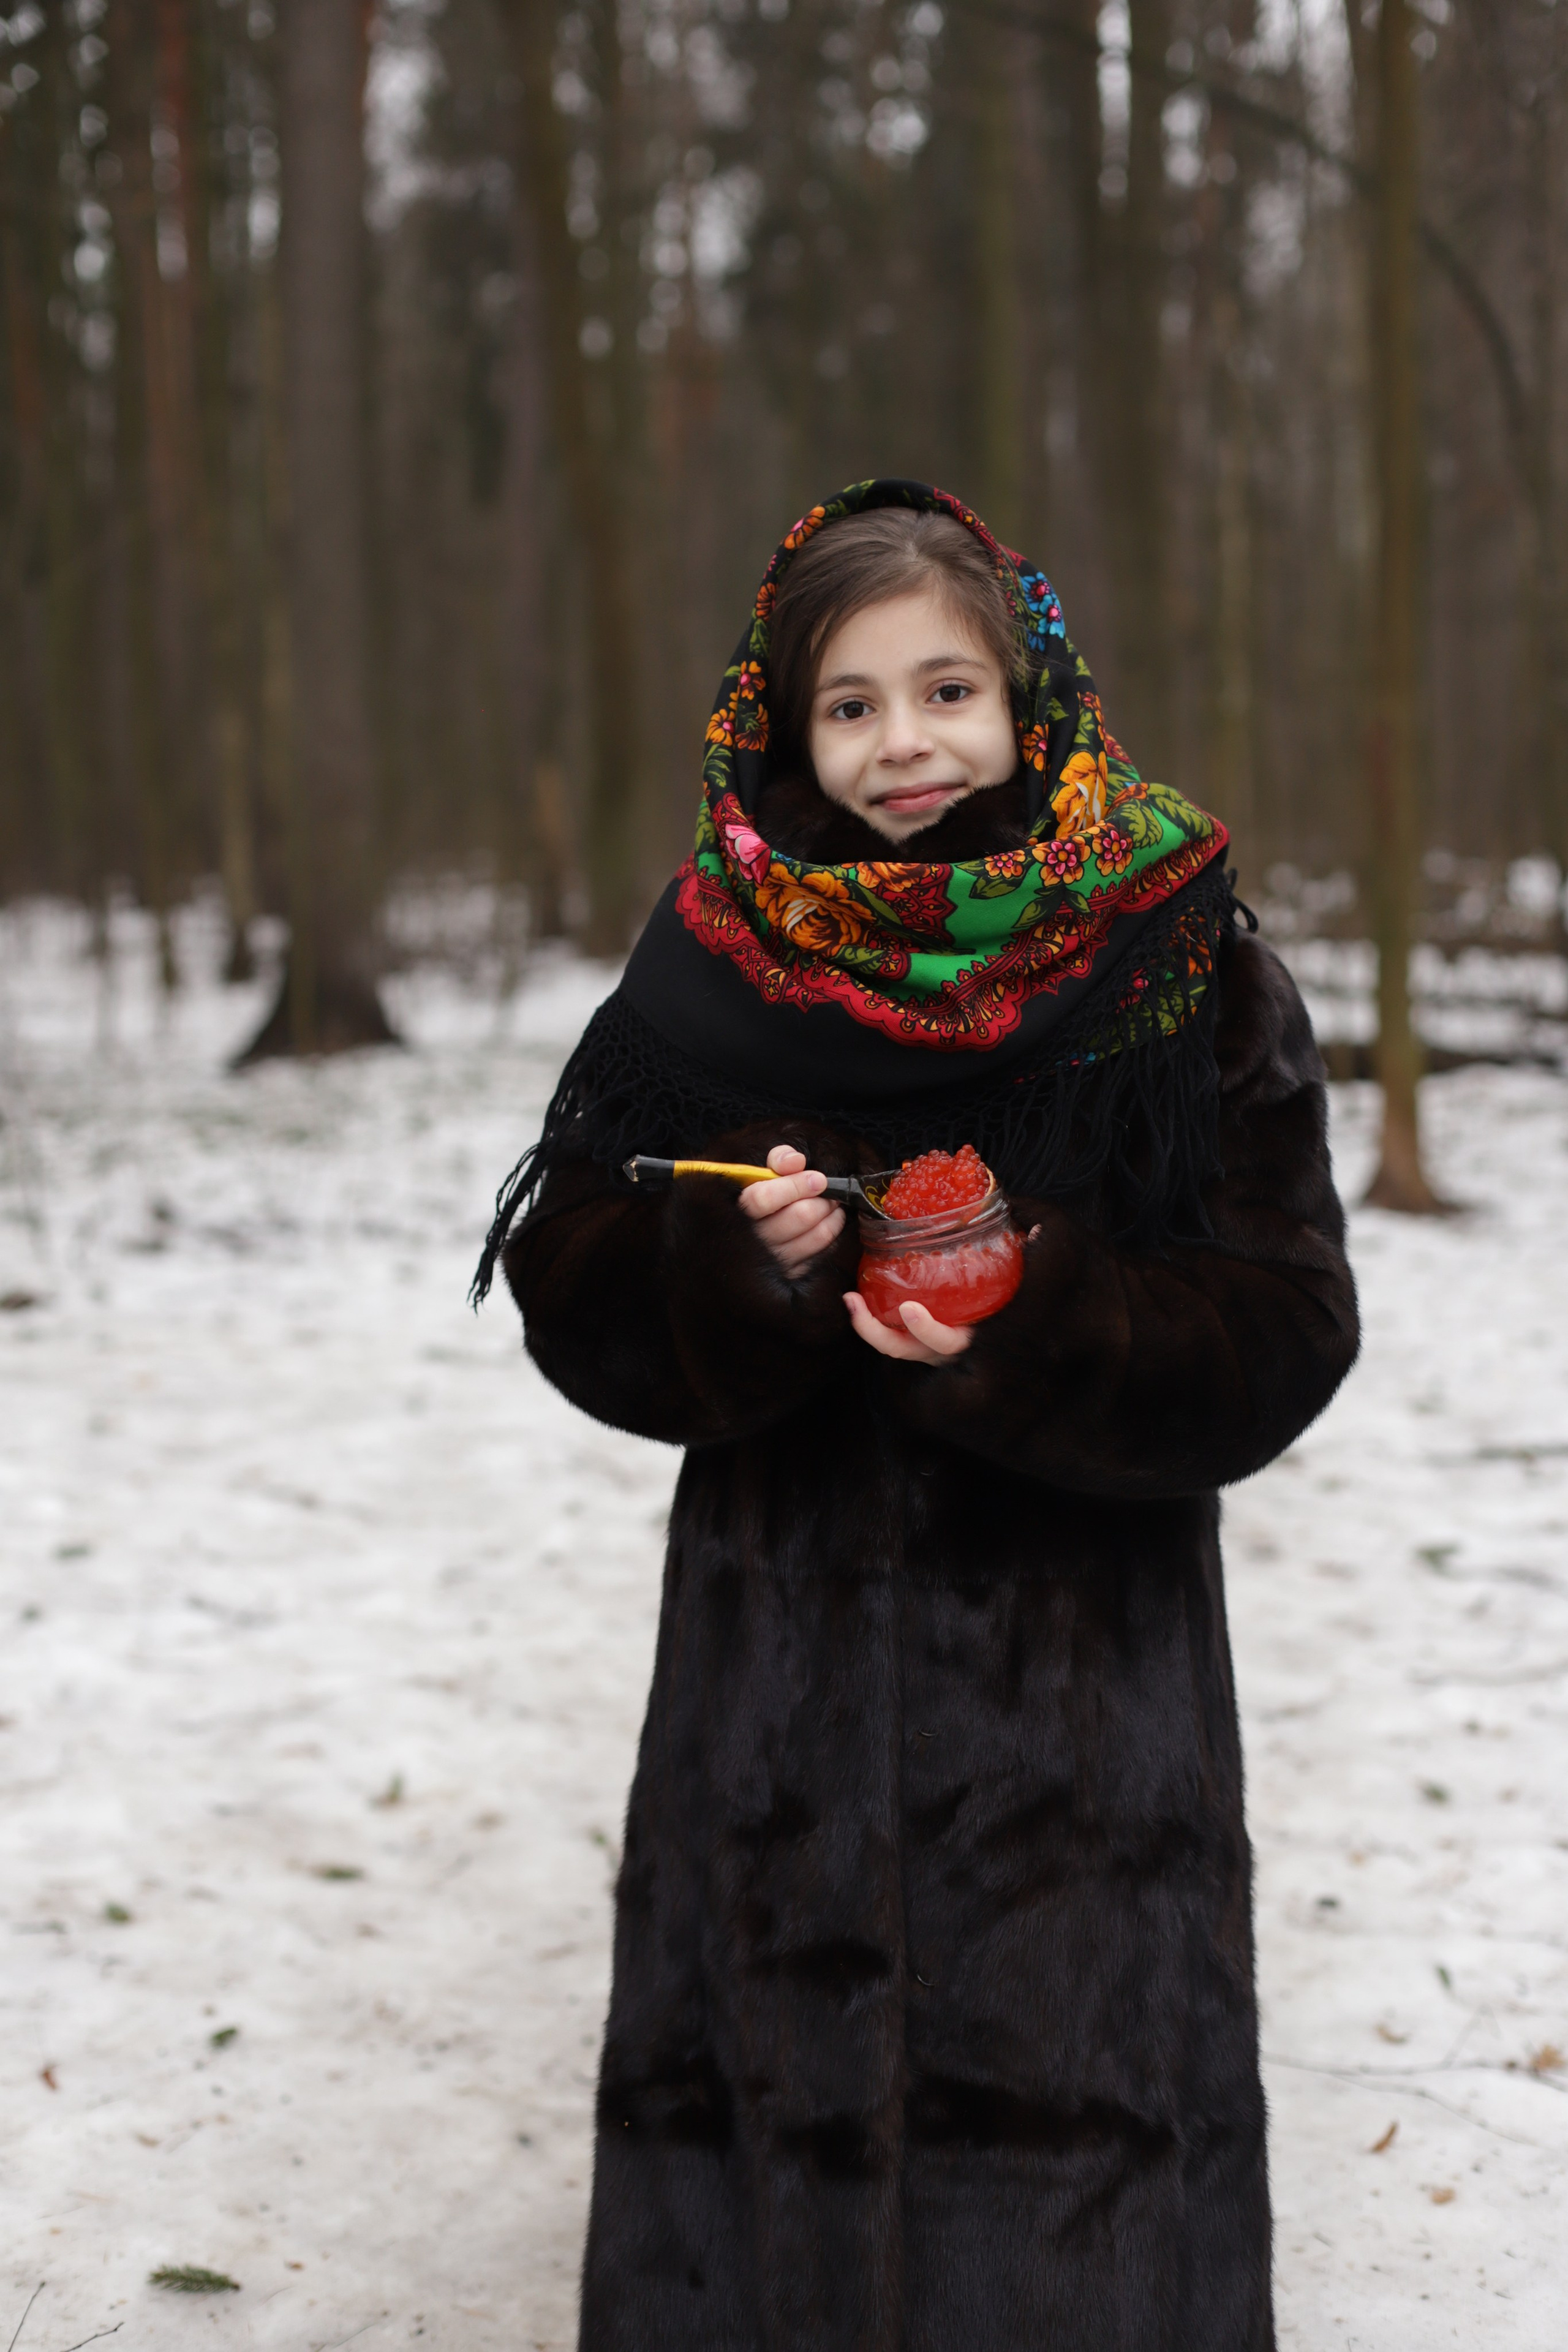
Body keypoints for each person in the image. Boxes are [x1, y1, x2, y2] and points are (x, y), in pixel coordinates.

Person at [475, 481, 1359, 2351]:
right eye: (852, 704)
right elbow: (578, 1298)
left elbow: (1285, 1328)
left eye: (947, 689)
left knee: (1070, 2242)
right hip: (769, 1759)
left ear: (1029, 698)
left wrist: (1043, 1312)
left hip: (1080, 1783)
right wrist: (734, 1269)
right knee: (763, 2231)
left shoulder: (1176, 967)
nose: (906, 742)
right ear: (782, 729)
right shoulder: (709, 968)